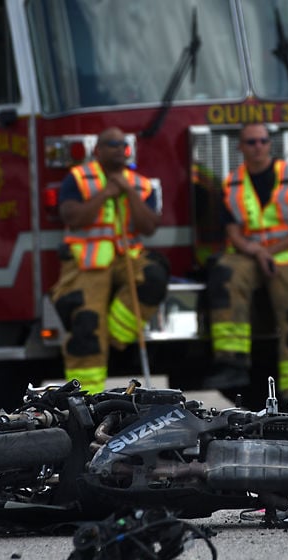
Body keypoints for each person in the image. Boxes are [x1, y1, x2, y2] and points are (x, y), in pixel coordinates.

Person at [203, 123, 288, 409]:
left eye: (262, 141)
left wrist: (269, 252)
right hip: (249, 254)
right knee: (225, 275)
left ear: (270, 144)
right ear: (240, 147)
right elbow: (233, 232)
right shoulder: (232, 184)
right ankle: (232, 363)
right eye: (251, 142)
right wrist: (256, 252)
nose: (257, 147)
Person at [50, 127, 168, 392]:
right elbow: (71, 217)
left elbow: (149, 226)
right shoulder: (78, 179)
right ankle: (83, 396)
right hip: (87, 263)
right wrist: (105, 193)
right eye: (111, 144)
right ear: (97, 150)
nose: (118, 149)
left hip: (128, 258)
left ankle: (114, 336)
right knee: (86, 323)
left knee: (154, 278)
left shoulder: (140, 184)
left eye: (122, 145)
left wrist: (128, 191)